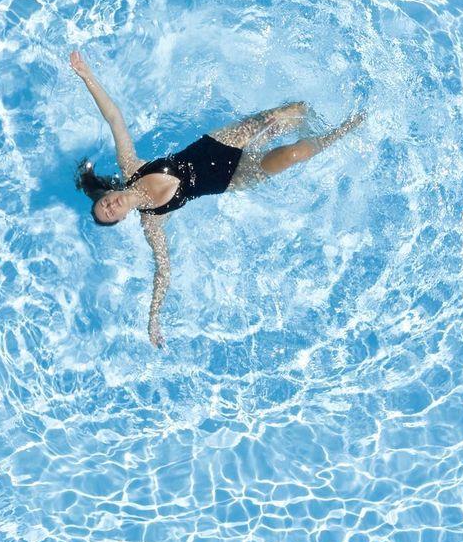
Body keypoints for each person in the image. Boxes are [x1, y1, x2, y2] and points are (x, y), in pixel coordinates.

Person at [68, 49, 364, 347]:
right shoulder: (152, 222)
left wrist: (86, 76)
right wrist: (153, 318)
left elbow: (114, 118)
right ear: (121, 219)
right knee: (293, 154)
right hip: (231, 178)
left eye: (105, 203)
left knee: (293, 113)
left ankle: (326, 105)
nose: (111, 206)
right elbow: (163, 272)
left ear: (109, 193)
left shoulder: (131, 166)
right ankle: (343, 130)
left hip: (218, 144)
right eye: (110, 214)